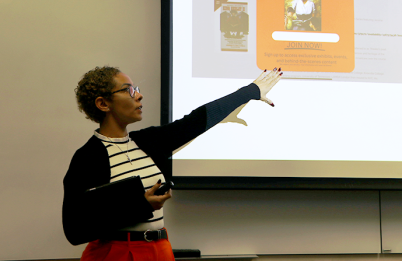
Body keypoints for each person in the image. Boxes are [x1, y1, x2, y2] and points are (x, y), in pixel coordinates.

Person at [63, 66, 282, 260]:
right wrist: (141, 205)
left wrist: (250, 91)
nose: (138, 95)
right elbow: (75, 230)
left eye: (136, 88)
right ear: (103, 103)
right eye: (128, 90)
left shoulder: (147, 142)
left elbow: (196, 121)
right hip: (117, 253)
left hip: (160, 250)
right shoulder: (88, 157)